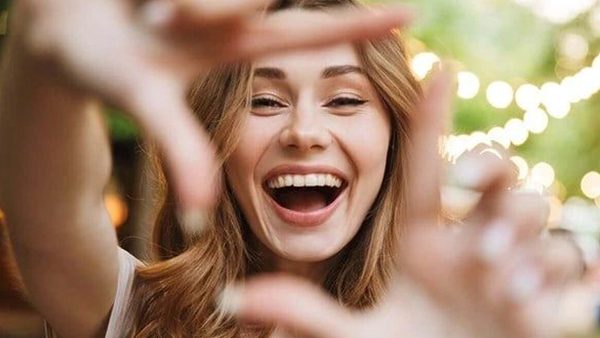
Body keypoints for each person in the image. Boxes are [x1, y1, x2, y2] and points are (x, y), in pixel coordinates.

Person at [0, 0, 576, 337]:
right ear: (216, 139)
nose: (303, 132)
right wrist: (40, 51)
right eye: (264, 101)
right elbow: (50, 207)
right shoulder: (134, 313)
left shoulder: (450, 323)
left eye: (345, 100)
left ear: (396, 142)